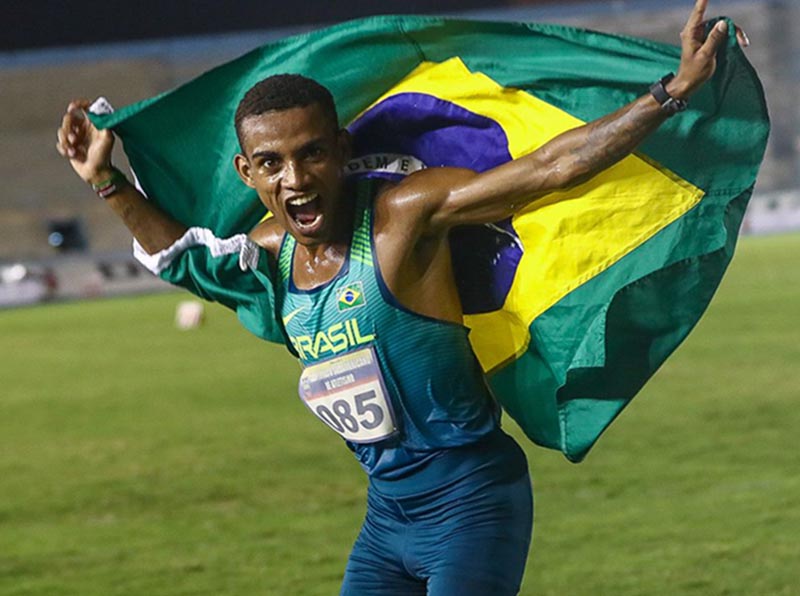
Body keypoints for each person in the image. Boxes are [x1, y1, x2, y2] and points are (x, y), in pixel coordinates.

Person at [56, 2, 741, 594]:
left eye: (312, 154)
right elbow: (186, 259)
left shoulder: (401, 220)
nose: (295, 178)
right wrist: (109, 184)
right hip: (387, 518)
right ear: (248, 172)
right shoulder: (272, 251)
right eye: (271, 164)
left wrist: (672, 91)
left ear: (340, 148)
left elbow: (549, 168)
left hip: (472, 504)